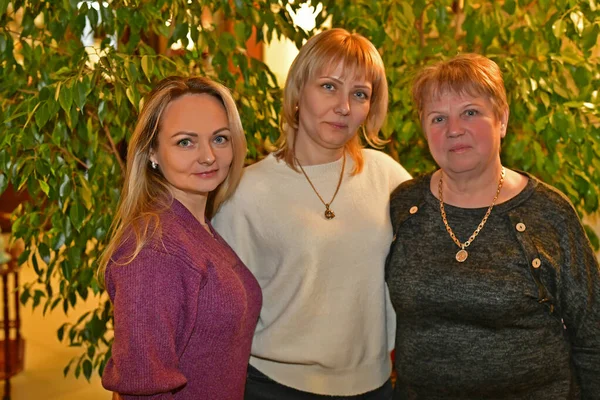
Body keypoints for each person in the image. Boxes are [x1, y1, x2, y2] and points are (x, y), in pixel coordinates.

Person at [386, 53, 600, 399]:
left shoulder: (549, 213)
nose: (454, 129)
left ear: (501, 119)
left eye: (470, 112)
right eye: (438, 118)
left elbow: (593, 336)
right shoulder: (403, 207)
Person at [212, 28, 411, 399]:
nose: (344, 107)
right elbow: (220, 314)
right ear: (299, 91)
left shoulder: (390, 179)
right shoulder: (246, 192)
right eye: (329, 87)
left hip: (375, 386)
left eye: (360, 94)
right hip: (273, 386)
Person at [98, 76, 262, 400]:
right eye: (185, 142)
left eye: (220, 139)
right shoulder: (155, 250)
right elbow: (144, 389)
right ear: (152, 153)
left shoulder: (195, 225)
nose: (208, 157)